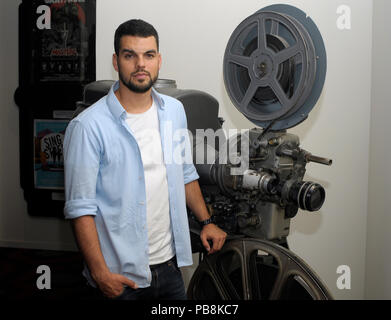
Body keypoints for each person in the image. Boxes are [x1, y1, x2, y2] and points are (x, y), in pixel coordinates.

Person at [63, 19, 227, 300]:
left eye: (148, 55)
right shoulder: (87, 127)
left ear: (159, 60)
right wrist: (100, 273)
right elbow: (80, 208)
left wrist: (207, 221)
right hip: (120, 277)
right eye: (130, 55)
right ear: (116, 61)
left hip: (170, 267)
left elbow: (185, 173)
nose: (141, 64)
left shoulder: (174, 111)